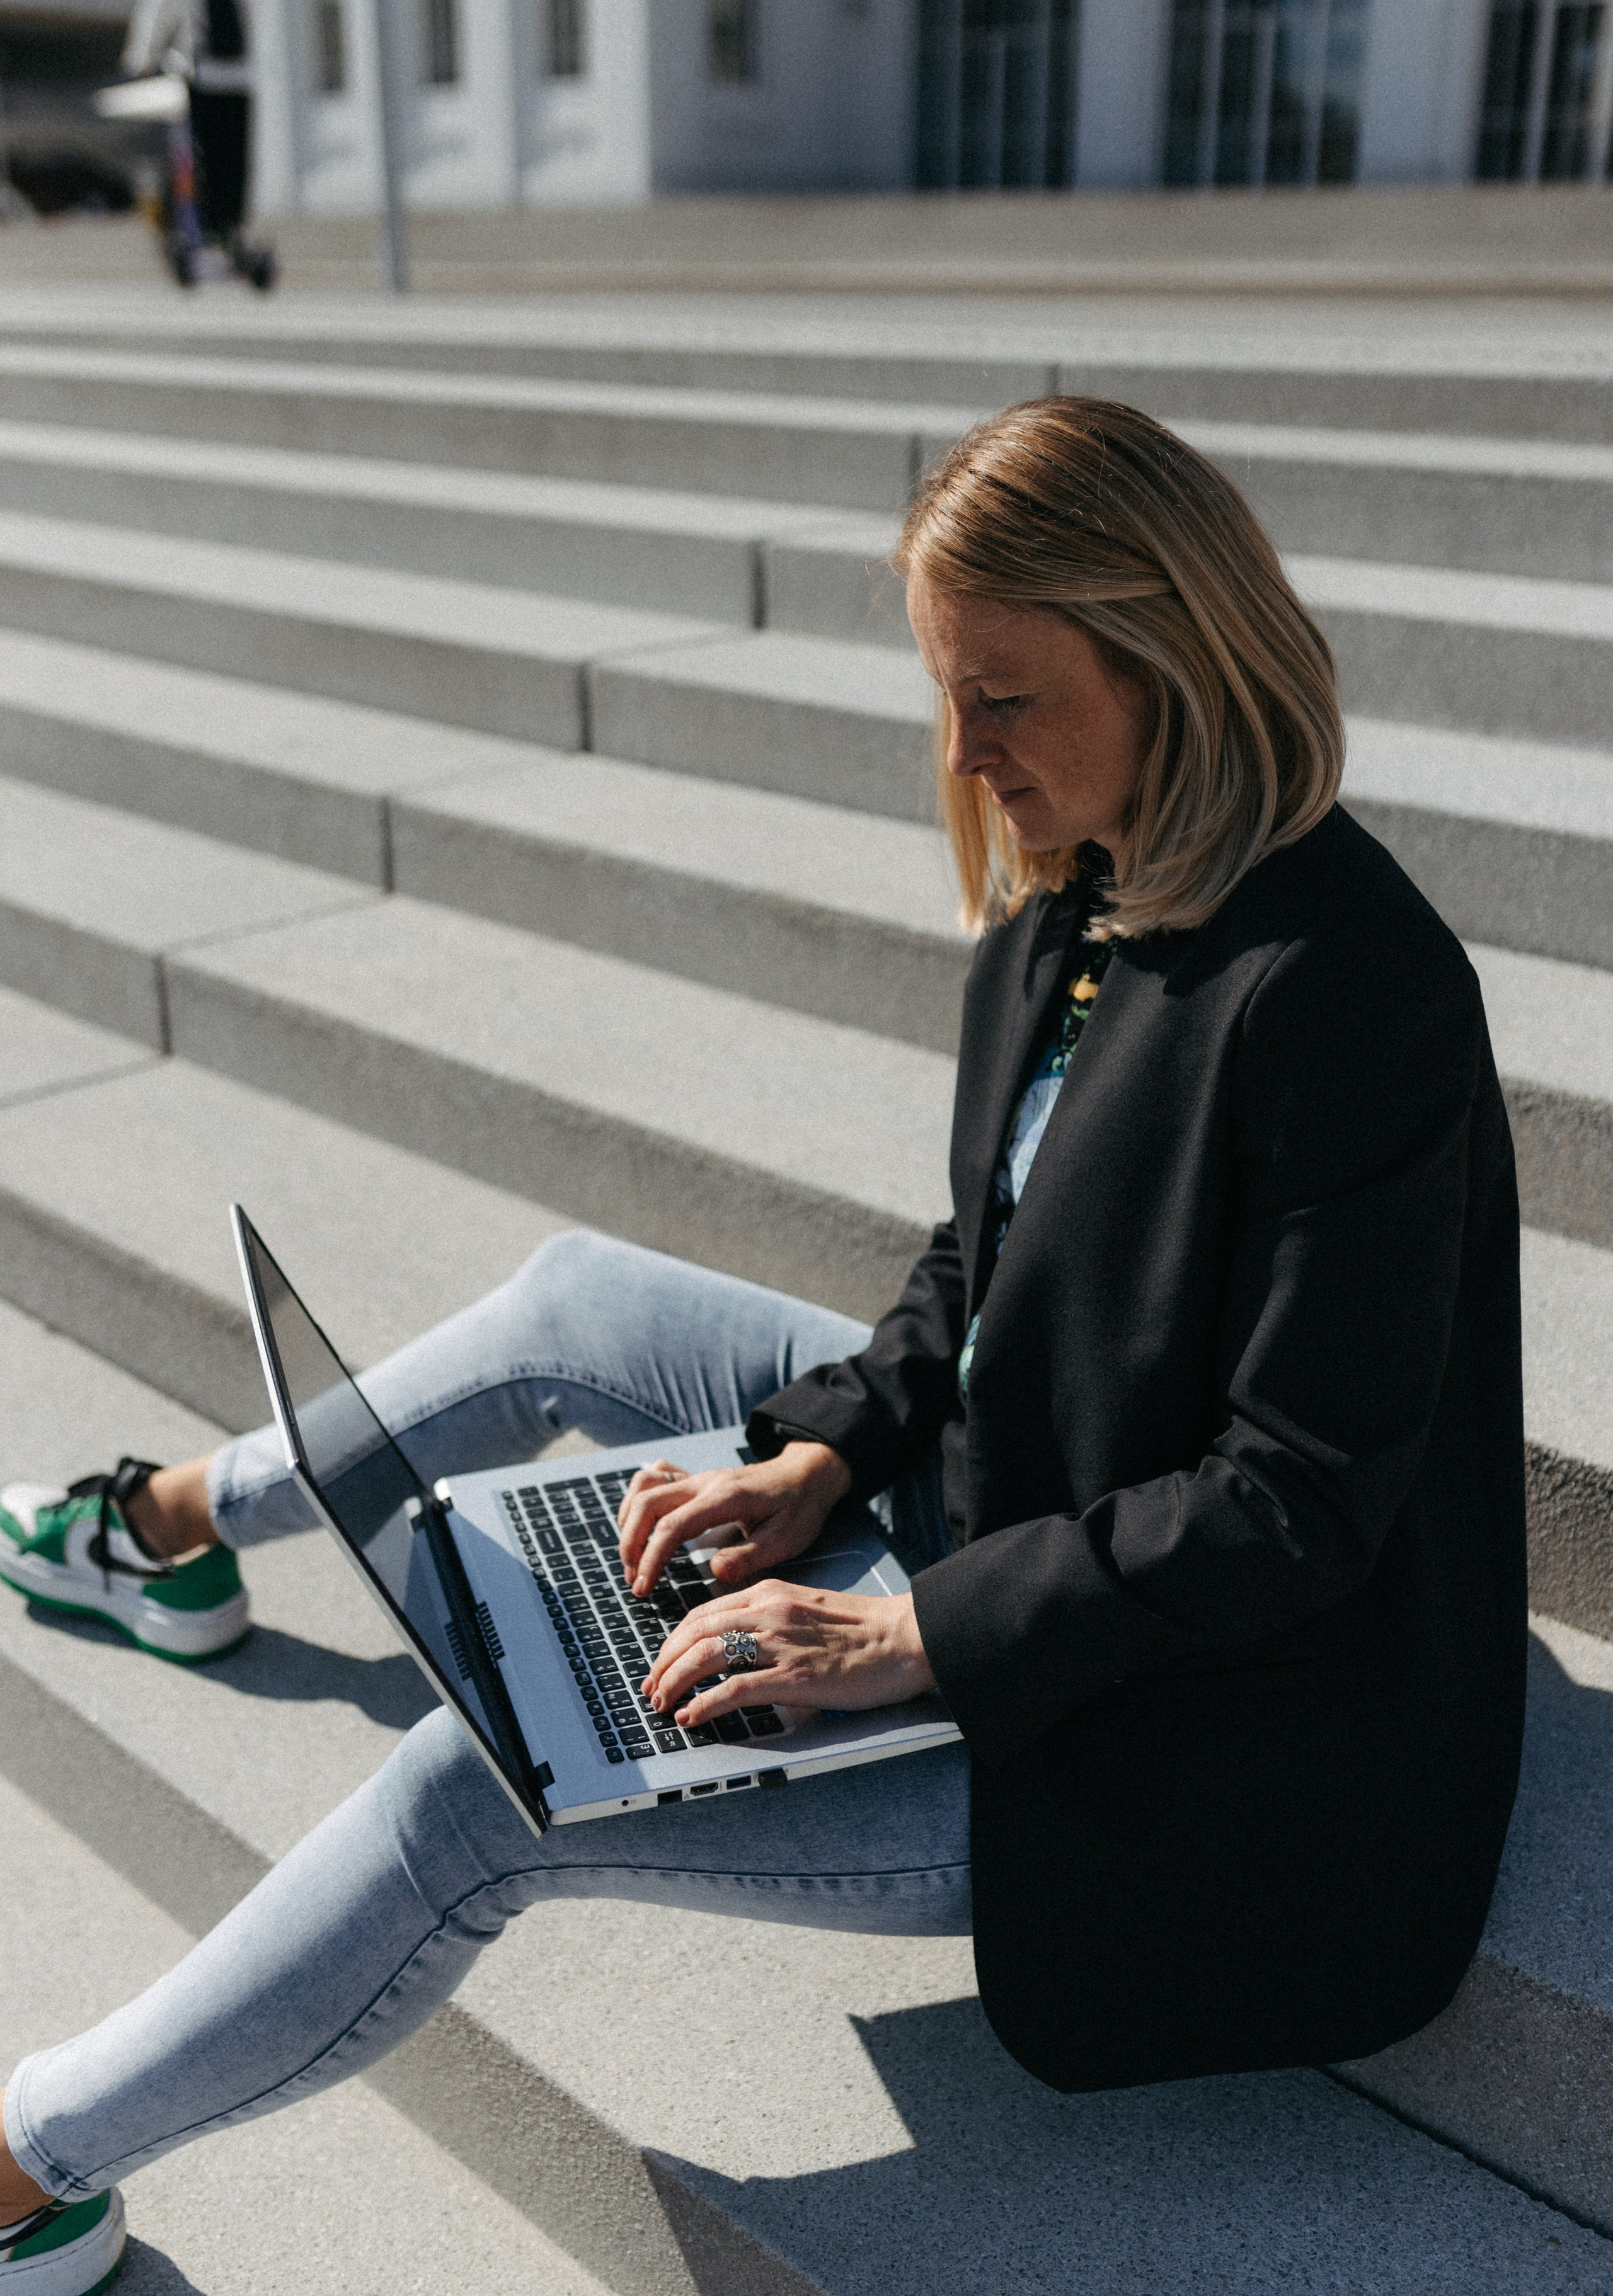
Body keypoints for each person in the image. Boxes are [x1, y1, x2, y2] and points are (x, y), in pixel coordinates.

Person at [0, 401, 1525, 2293]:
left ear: (1174, 659)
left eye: (1005, 700)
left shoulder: (1353, 993)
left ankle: (27, 2166)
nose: (963, 757)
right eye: (945, 695)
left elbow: (1292, 1506)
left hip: (1209, 1732)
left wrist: (898, 1634)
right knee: (573, 1297)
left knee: (478, 1790)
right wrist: (825, 1448)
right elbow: (988, 1255)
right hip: (1035, 1492)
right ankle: (161, 1519)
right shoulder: (1092, 879)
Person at [122, 0, 273, 290]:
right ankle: (231, 230)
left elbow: (155, 19)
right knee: (234, 164)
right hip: (239, 82)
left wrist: (140, 60)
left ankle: (201, 238)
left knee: (196, 160)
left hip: (200, 80)